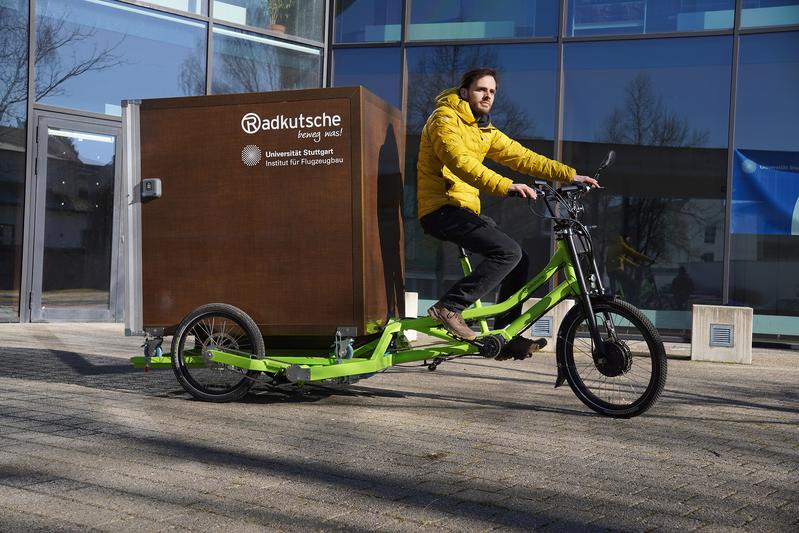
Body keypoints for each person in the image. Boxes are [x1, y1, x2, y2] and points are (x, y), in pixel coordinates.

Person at [417, 68, 599, 344]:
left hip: (462, 210)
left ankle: (505, 334)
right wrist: (506, 185)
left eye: (492, 92)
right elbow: (459, 162)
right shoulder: (444, 119)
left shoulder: (483, 129)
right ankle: (449, 307)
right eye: (481, 89)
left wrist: (569, 175)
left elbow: (523, 157)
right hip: (440, 209)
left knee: (519, 258)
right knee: (507, 252)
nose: (488, 95)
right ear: (464, 92)